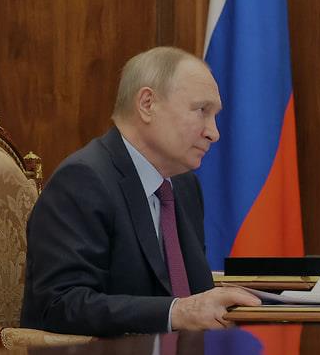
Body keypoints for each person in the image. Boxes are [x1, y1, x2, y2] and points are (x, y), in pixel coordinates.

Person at [21, 46, 260, 336]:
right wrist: (178, 312)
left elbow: (192, 289)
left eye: (215, 116)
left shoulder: (184, 186)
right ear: (147, 104)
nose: (214, 132)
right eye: (201, 111)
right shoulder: (82, 181)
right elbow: (59, 306)